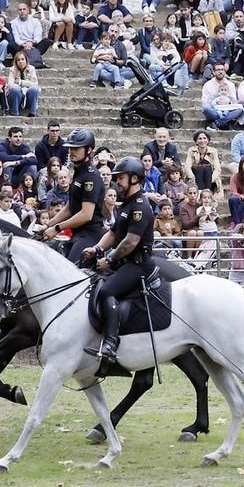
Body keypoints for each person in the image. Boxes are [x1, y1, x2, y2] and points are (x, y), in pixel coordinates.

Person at [83, 156, 156, 370]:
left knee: (106, 291)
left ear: (134, 179)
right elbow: (114, 233)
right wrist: (97, 249)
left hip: (138, 264)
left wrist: (109, 259)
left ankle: (111, 345)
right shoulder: (126, 205)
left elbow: (130, 242)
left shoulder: (140, 206)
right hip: (125, 262)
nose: (118, 182)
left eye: (121, 178)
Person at [35, 127, 106, 262]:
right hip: (78, 233)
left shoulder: (91, 176)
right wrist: (48, 224)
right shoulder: (78, 172)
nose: (71, 151)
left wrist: (57, 228)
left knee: (71, 272)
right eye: (70, 148)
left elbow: (86, 214)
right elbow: (70, 207)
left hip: (90, 235)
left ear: (88, 150)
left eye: (76, 148)